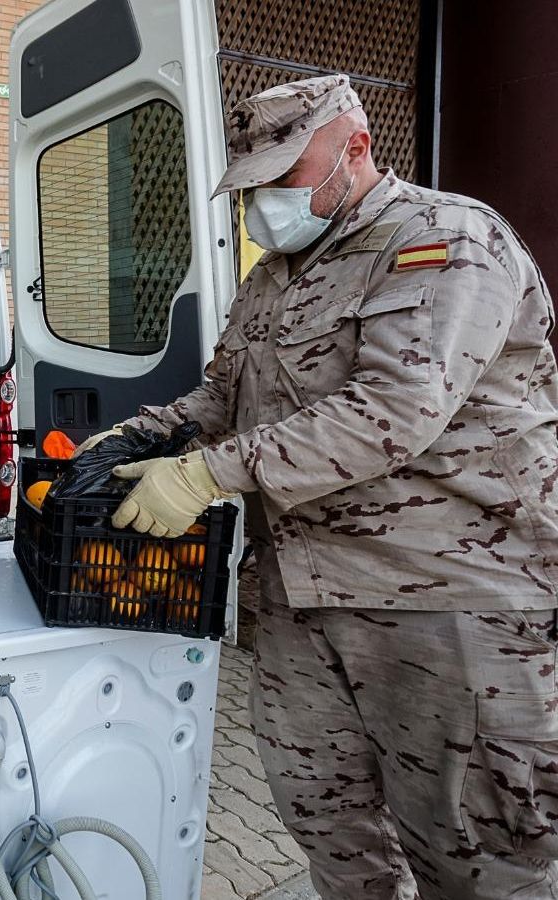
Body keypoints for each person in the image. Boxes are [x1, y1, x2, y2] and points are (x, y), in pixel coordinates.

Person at [84, 74, 558, 898]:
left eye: (283, 177)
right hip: (298, 599)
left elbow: (395, 408)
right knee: (330, 826)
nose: (266, 201)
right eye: (252, 185)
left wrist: (205, 473)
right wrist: (148, 434)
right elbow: (222, 392)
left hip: (445, 605)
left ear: (357, 148)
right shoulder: (275, 273)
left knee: (473, 850)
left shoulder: (445, 238)